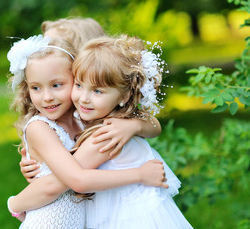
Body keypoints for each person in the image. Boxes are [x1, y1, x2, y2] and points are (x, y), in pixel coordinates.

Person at [6, 34, 168, 229]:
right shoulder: (40, 128)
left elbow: (155, 125)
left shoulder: (83, 116)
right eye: (36, 87)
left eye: (57, 85)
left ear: (76, 78)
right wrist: (139, 175)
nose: (47, 97)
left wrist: (134, 125)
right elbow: (77, 180)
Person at [68, 34, 198, 229]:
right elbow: (154, 125)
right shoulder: (123, 119)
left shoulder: (103, 135)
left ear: (124, 96)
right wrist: (136, 125)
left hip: (127, 224)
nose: (83, 98)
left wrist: (18, 203)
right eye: (78, 85)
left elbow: (66, 177)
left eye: (97, 91)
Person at [20, 17, 162, 181]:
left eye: (55, 43)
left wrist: (135, 125)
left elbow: (153, 125)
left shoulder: (94, 110)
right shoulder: (68, 111)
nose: (47, 50)